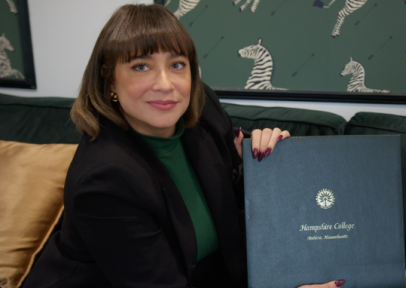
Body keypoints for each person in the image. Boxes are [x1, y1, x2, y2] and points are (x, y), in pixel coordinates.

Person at [23, 4, 345, 288]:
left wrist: (264, 161)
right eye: (140, 66)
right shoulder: (105, 179)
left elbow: (239, 205)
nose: (165, 84)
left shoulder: (201, 108)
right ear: (109, 79)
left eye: (177, 64)